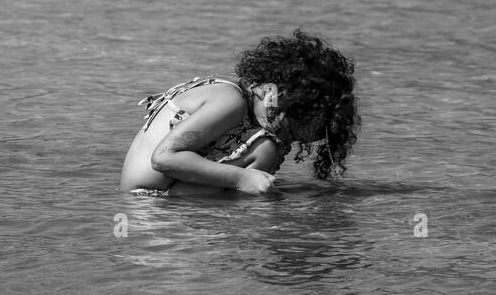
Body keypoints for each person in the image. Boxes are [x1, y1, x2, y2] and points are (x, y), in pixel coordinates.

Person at [119, 30, 359, 195]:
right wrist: (242, 178)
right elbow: (164, 158)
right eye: (287, 130)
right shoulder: (229, 100)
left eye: (294, 141)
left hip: (150, 203)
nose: (284, 141)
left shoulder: (233, 95)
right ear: (276, 94)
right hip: (149, 204)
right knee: (265, 150)